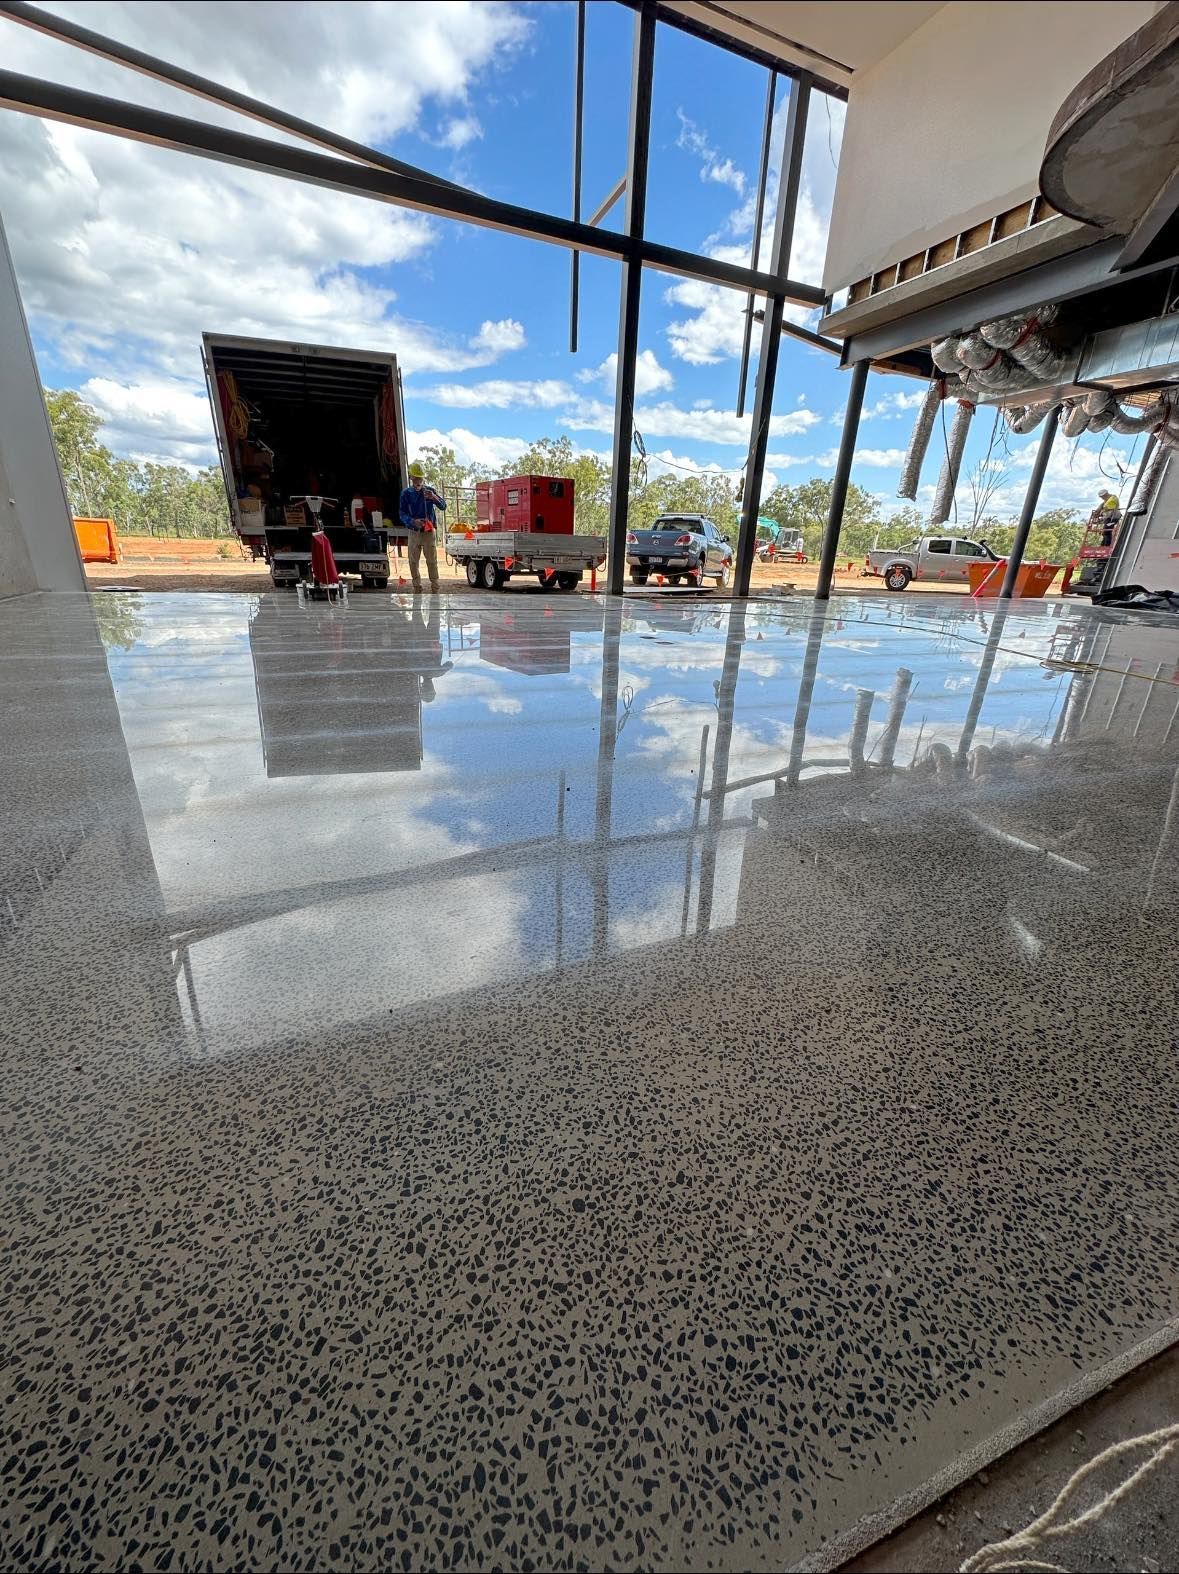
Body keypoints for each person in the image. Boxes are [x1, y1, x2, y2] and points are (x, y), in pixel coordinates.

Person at [398, 461, 446, 593]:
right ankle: (417, 587)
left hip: (429, 533)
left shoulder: (429, 492)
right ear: (411, 478)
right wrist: (412, 521)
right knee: (413, 561)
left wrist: (434, 497)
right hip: (414, 532)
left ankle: (435, 588)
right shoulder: (406, 494)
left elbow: (443, 506)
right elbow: (402, 513)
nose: (418, 481)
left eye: (420, 478)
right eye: (416, 478)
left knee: (432, 561)